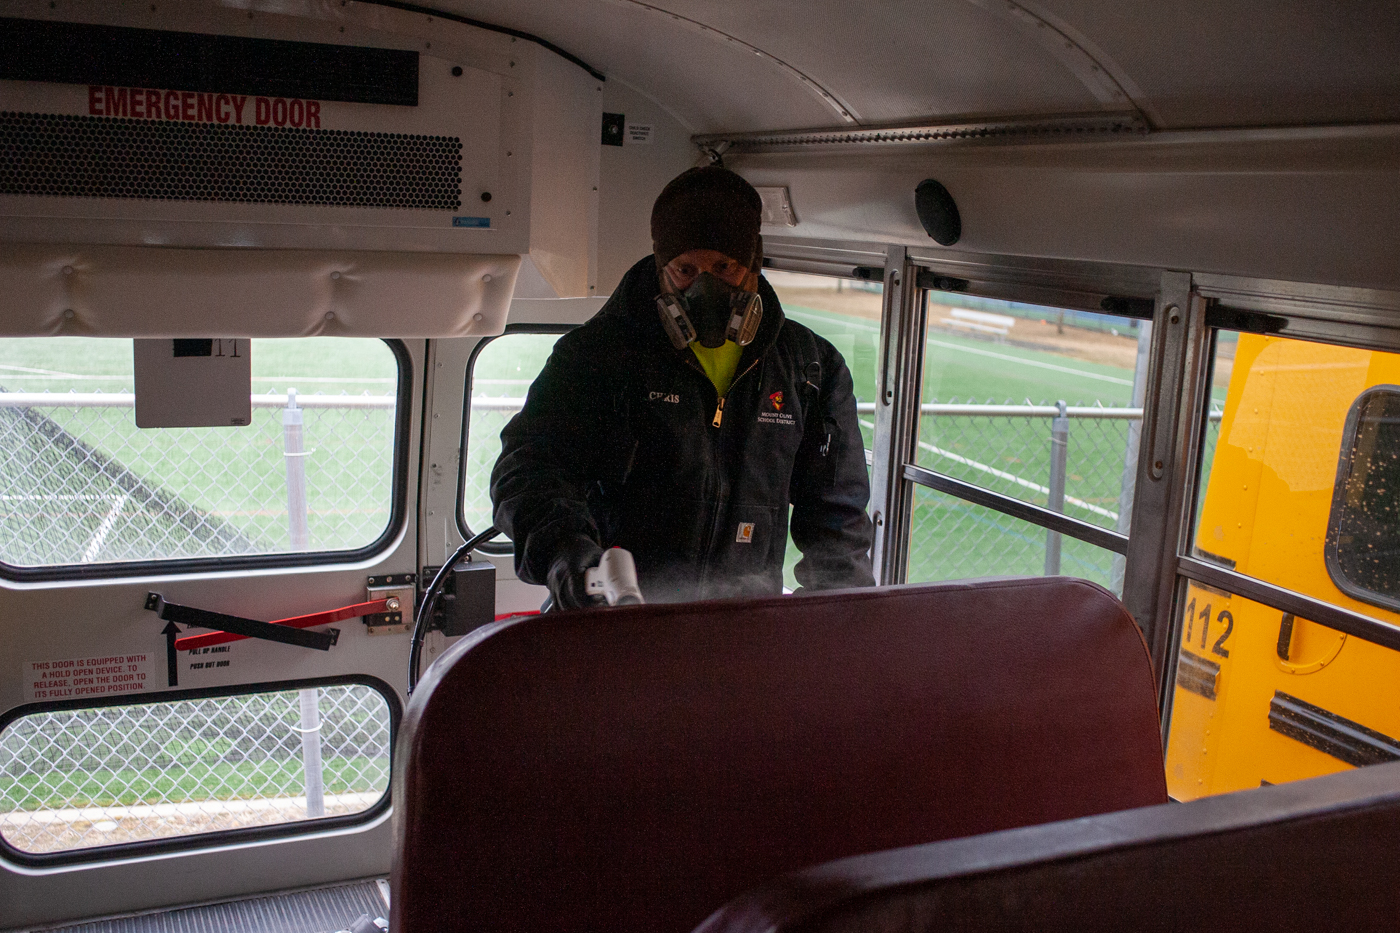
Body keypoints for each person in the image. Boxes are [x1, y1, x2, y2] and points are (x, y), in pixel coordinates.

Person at [490, 165, 875, 608]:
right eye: (686, 269)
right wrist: (568, 554)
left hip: (739, 627)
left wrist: (838, 619)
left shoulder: (811, 369)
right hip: (611, 618)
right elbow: (528, 469)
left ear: (753, 263)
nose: (705, 287)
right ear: (661, 267)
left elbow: (836, 519)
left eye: (725, 267)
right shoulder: (596, 356)